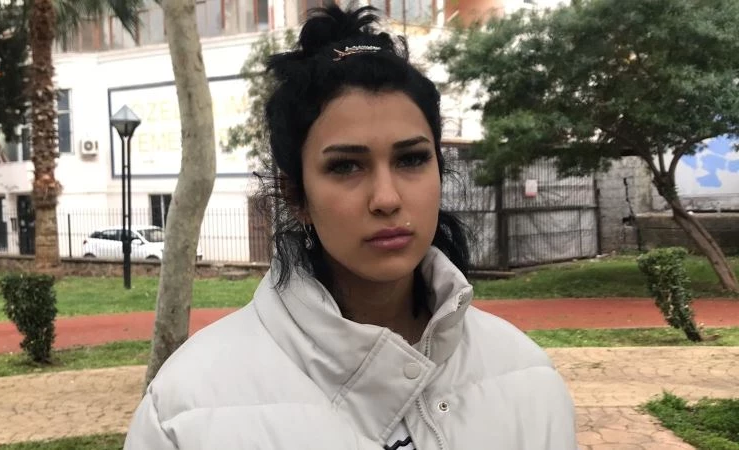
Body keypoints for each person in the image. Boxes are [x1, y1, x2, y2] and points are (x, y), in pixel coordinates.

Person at [124, 4, 577, 449]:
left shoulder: (528, 381)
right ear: (296, 195)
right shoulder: (186, 411)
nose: (387, 198)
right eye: (345, 166)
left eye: (411, 159)